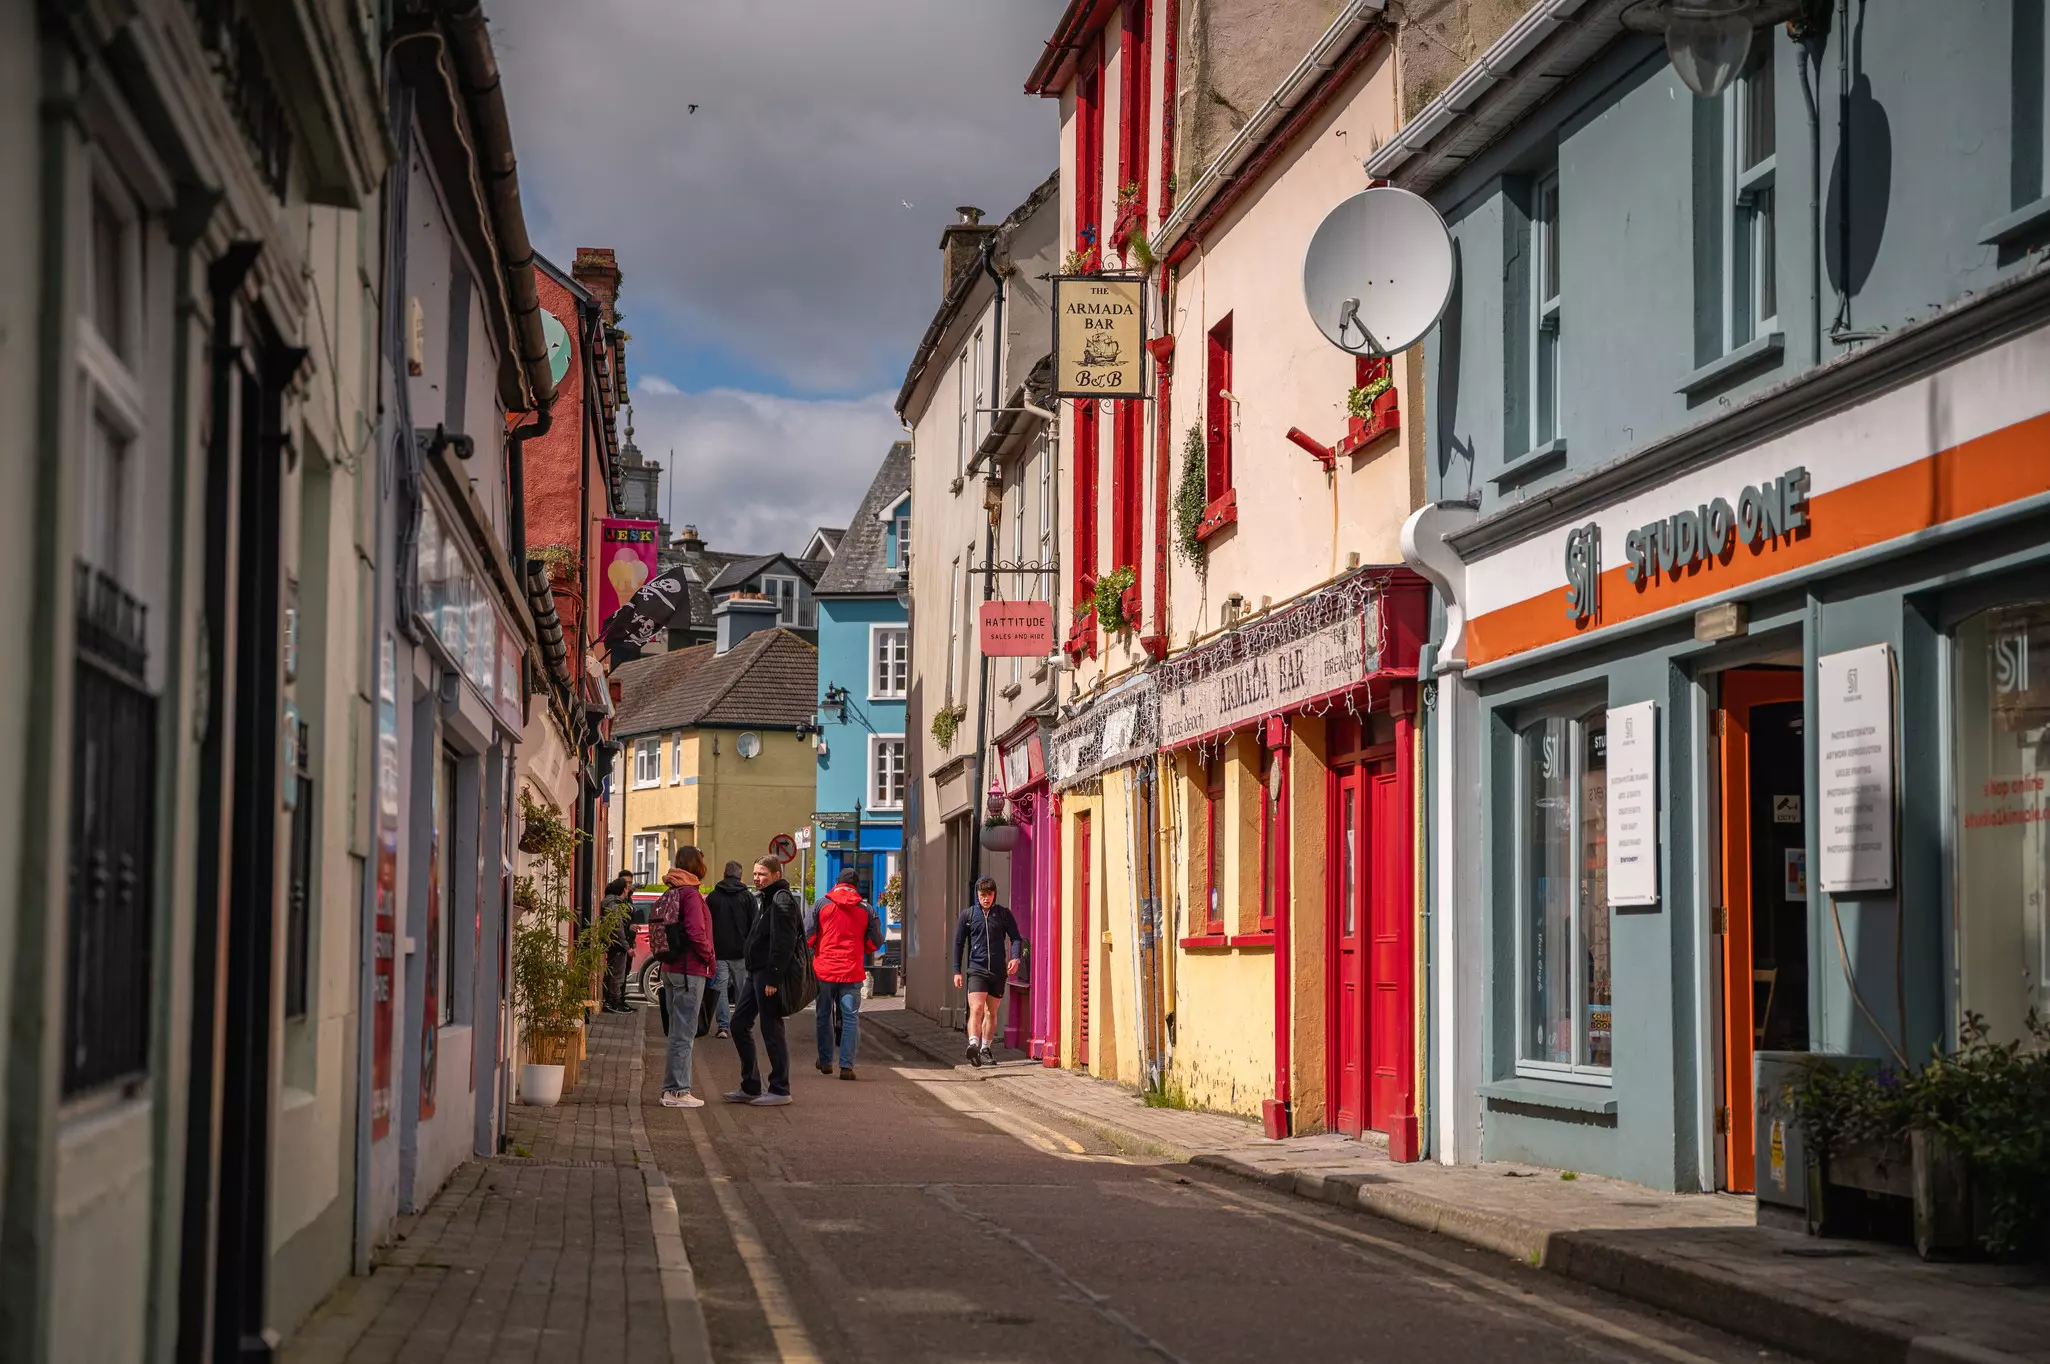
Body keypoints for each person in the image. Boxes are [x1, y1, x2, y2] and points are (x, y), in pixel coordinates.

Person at [726, 856, 804, 1106]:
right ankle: (750, 1086)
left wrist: (773, 978)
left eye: (762, 874)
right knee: (738, 1024)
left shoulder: (781, 899)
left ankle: (780, 1089)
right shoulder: (768, 898)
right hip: (755, 972)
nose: (757, 878)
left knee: (772, 1029)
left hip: (768, 975)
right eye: (755, 873)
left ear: (776, 875)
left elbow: (784, 942)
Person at [651, 846, 716, 1108]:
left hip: (669, 969)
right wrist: (710, 958)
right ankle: (677, 1091)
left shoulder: (672, 890)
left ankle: (674, 1088)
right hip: (689, 970)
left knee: (678, 1032)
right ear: (697, 865)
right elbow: (696, 932)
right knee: (684, 1034)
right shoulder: (690, 895)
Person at [810, 869, 883, 1079]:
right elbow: (875, 941)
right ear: (855, 886)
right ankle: (846, 1067)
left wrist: (815, 950)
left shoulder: (821, 904)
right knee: (850, 1019)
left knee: (823, 1015)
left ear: (836, 882)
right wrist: (863, 948)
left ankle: (825, 1060)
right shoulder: (867, 909)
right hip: (852, 971)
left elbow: (808, 935)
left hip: (824, 970)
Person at [951, 876, 1026, 1068]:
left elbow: (1016, 938)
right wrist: (956, 970)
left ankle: (985, 1048)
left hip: (998, 971)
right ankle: (973, 1044)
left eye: (990, 894)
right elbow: (959, 943)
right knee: (976, 1008)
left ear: (994, 895)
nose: (986, 898)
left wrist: (1015, 958)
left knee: (991, 1012)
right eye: (983, 894)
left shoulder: (1003, 914)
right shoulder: (967, 916)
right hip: (976, 969)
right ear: (977, 894)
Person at [705, 860, 755, 1039]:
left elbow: (707, 924)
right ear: (740, 876)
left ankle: (723, 1027)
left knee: (720, 990)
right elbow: (754, 925)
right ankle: (741, 1025)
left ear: (724, 875)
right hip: (741, 953)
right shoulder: (748, 897)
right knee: (742, 991)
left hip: (719, 952)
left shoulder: (713, 897)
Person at [600, 872, 635, 1013]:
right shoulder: (614, 905)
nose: (628, 890)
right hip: (617, 945)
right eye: (627, 887)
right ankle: (613, 1002)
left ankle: (614, 1000)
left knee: (615, 973)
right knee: (617, 974)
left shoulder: (612, 902)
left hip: (615, 943)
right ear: (623, 890)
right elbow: (618, 928)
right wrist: (627, 947)